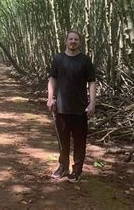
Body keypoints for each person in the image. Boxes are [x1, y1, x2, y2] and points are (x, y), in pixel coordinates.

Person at [47, 30, 96, 182]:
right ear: (66, 41)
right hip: (61, 109)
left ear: (79, 42)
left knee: (80, 142)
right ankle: (63, 167)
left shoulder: (85, 60)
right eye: (70, 39)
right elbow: (52, 79)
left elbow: (92, 82)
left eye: (76, 39)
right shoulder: (58, 59)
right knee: (63, 141)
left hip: (80, 110)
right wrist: (50, 98)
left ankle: (77, 171)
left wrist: (92, 103)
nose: (73, 41)